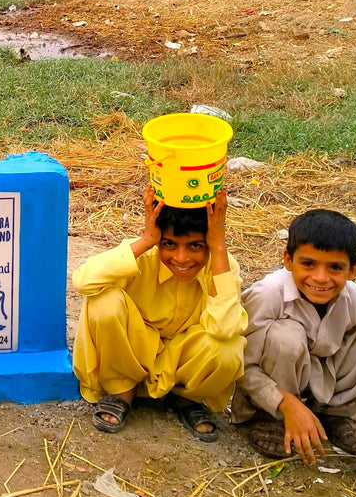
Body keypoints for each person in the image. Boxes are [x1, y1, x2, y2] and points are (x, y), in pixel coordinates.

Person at [72, 187, 247, 440]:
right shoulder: (144, 254)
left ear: (209, 241)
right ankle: (122, 389)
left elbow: (226, 328)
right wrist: (145, 241)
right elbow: (83, 281)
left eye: (196, 245)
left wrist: (218, 247)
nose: (182, 257)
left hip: (182, 359)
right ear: (158, 238)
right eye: (169, 244)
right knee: (103, 303)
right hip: (136, 353)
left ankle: (186, 397)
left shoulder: (221, 264)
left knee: (229, 348)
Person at [231, 209, 356, 481]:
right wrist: (284, 403)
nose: (320, 278)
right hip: (271, 392)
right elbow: (240, 364)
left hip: (323, 384)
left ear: (353, 270)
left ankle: (334, 416)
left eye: (335, 267)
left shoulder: (354, 298)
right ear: (288, 260)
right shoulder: (268, 294)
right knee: (285, 336)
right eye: (308, 264)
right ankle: (270, 418)